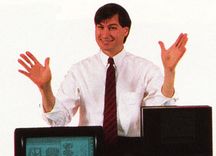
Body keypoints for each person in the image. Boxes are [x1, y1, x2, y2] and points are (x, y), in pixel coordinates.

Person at [18, 3, 188, 137]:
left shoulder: (145, 69)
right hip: (89, 152)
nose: (105, 33)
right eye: (100, 27)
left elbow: (161, 112)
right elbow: (58, 120)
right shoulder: (79, 71)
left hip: (134, 153)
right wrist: (45, 88)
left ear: (125, 31)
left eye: (112, 27)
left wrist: (170, 72)